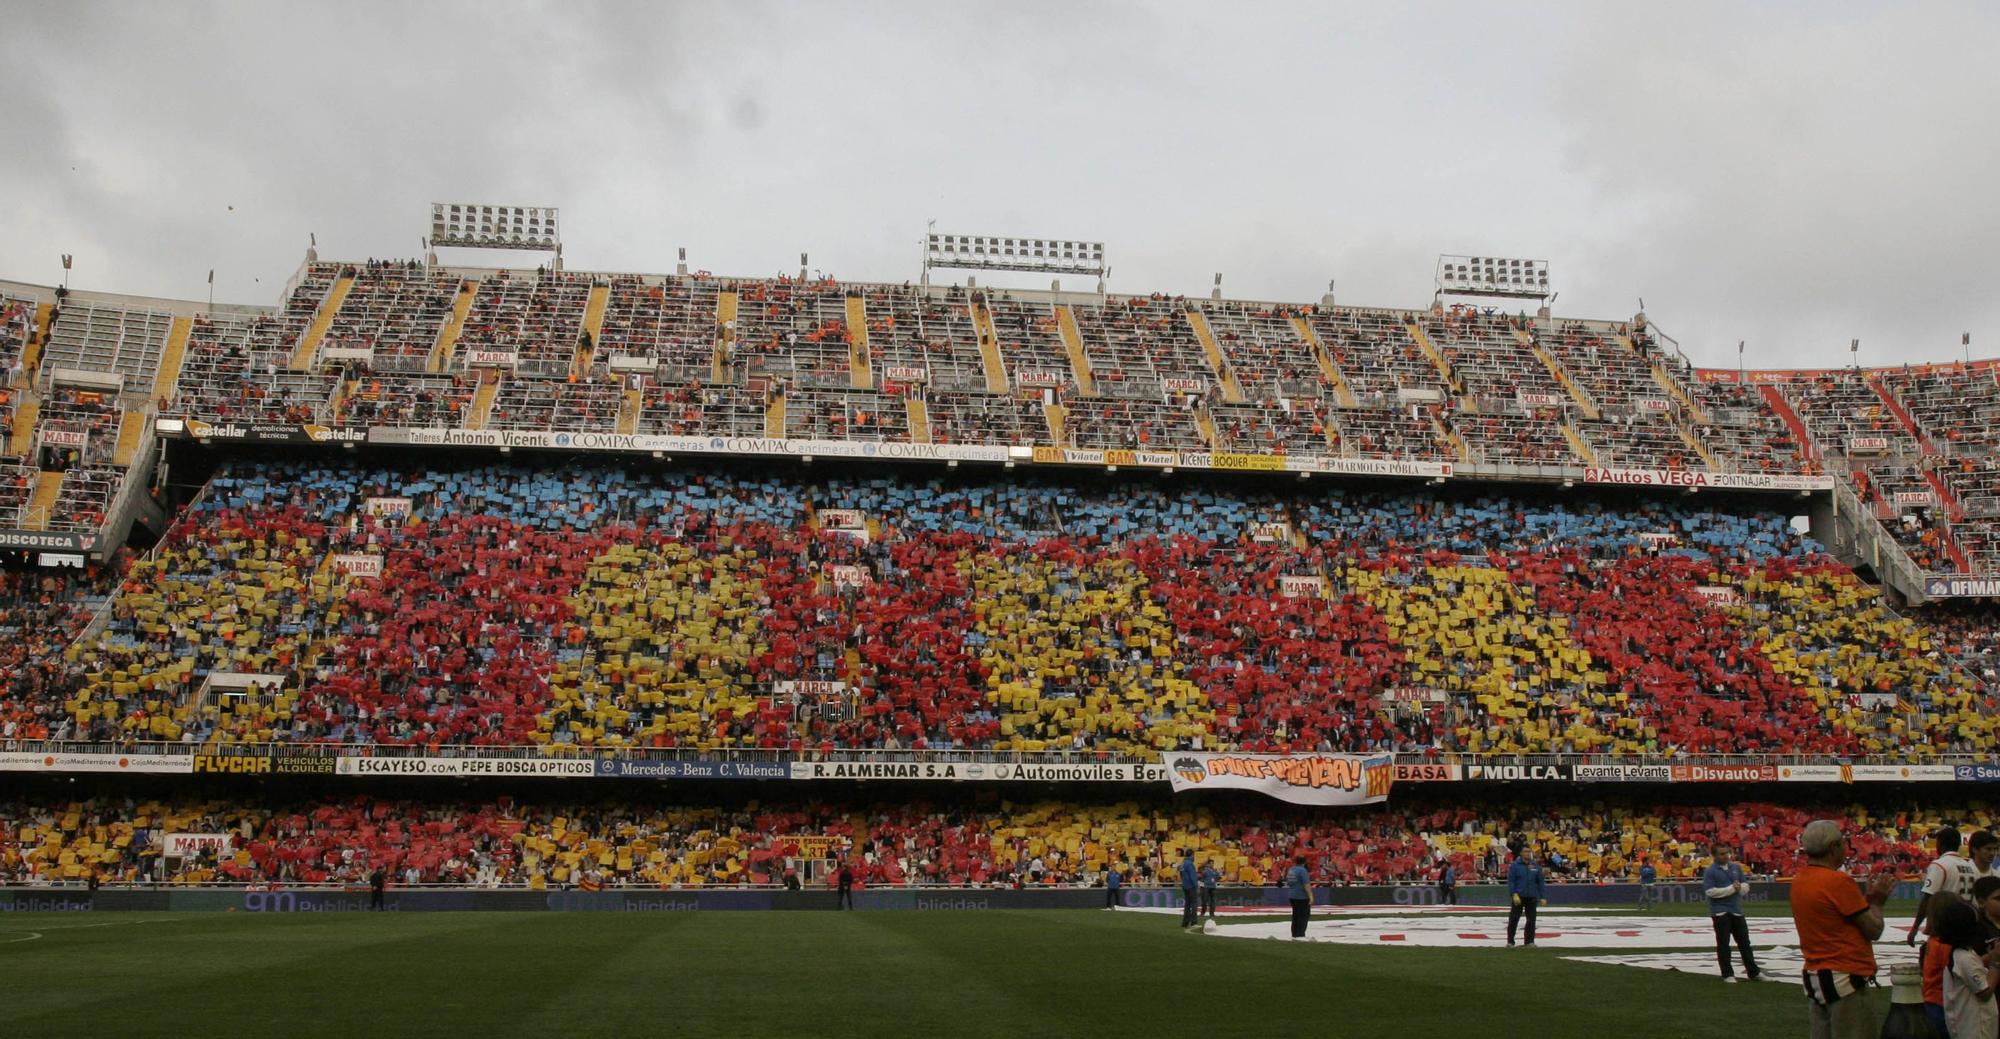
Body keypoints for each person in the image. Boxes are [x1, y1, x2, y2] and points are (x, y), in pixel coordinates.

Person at [1792, 819, 1896, 1039]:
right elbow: (1874, 930)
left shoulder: (1799, 880)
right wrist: (1877, 903)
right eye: (1842, 844)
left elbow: (1836, 918)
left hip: (1816, 976)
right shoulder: (1838, 881)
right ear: (1833, 847)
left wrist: (1866, 902)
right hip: (1845, 977)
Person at [1935, 899, 2000, 1039]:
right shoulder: (1965, 958)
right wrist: (1996, 962)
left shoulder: (1959, 954)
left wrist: (1991, 955)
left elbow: (1973, 969)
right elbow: (1984, 992)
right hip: (1975, 1030)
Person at [1908, 825, 1978, 947]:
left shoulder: (1939, 865)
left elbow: (1928, 897)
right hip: (1967, 924)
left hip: (1944, 926)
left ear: (1941, 844)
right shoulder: (1970, 866)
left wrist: (1915, 928)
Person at [1704, 846, 1760, 982]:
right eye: (1721, 854)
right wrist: (1731, 889)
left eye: (1726, 853)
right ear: (1714, 856)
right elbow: (1710, 892)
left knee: (1745, 942)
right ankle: (1727, 973)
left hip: (1736, 910)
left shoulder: (1735, 867)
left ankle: (1754, 972)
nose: (1725, 856)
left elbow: (1745, 885)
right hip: (1720, 911)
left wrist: (1740, 888)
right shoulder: (1710, 871)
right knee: (1723, 943)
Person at [1507, 847, 1545, 947]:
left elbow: (1540, 882)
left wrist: (1542, 896)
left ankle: (1529, 941)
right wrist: (1514, 893)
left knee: (1531, 920)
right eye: (1525, 851)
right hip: (1519, 896)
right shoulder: (1515, 866)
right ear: (1521, 853)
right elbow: (1511, 881)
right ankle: (1510, 941)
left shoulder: (1535, 865)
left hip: (1531, 896)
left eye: (1529, 851)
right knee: (1514, 919)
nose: (1528, 853)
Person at [1284, 855, 1311, 940]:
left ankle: (1295, 933)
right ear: (1304, 862)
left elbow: (1288, 881)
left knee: (1295, 915)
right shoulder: (1302, 871)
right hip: (1301, 896)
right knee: (1303, 916)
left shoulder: (1291, 870)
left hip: (1292, 895)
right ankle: (1300, 934)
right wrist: (1310, 895)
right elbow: (1306, 884)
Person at [1179, 850, 1200, 929]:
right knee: (1194, 904)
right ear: (1191, 855)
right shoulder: (1190, 864)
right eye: (1193, 855)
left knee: (1187, 905)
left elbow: (1181, 874)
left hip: (1185, 886)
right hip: (1191, 886)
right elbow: (1193, 876)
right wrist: (1196, 886)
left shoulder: (1183, 864)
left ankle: (1185, 922)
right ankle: (1193, 922)